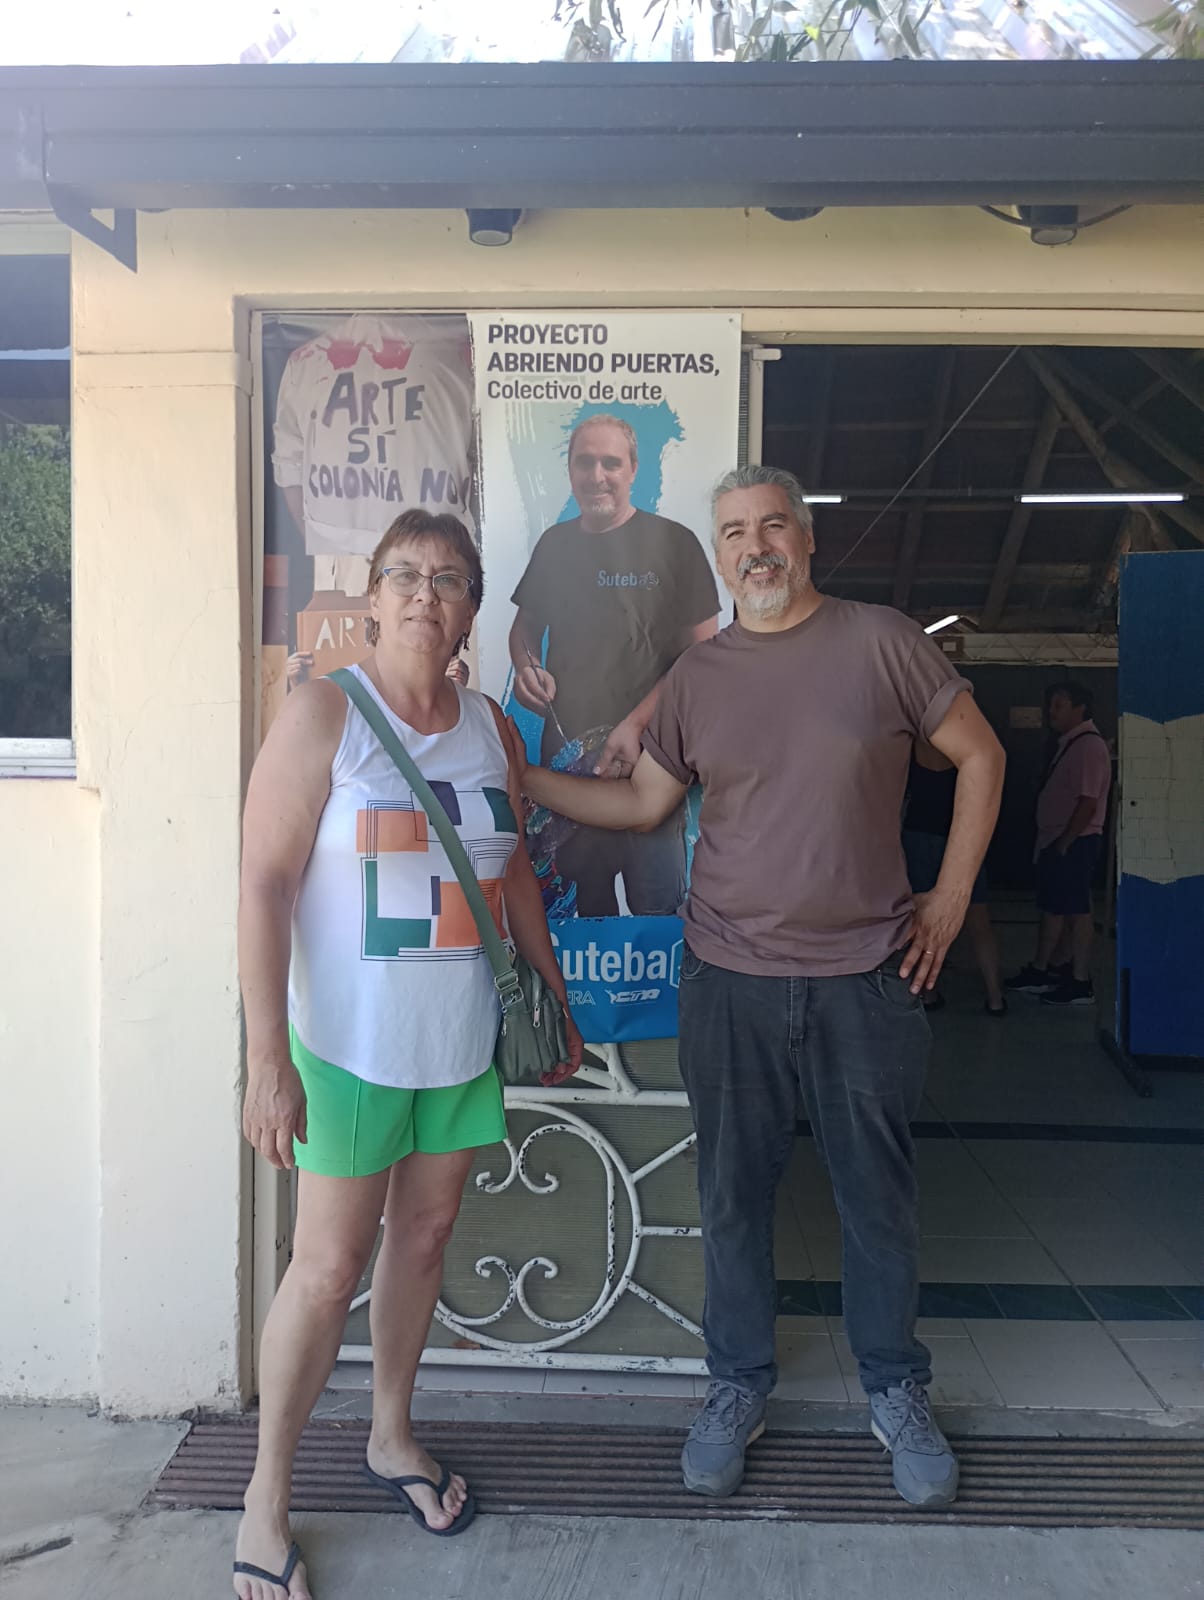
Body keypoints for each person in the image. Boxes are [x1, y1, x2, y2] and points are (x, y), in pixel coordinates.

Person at [505, 465, 1005, 1509]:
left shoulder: (882, 642)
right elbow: (644, 804)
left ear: (806, 540)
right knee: (732, 1197)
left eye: (773, 526)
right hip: (729, 977)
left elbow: (981, 755)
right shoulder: (699, 677)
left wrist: (952, 896)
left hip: (866, 978)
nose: (755, 547)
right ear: (720, 554)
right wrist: (521, 782)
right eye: (734, 532)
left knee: (877, 1198)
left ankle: (895, 1388)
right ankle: (736, 1385)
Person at [235, 509, 582, 1599]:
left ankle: (391, 1434)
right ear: (372, 599)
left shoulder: (490, 726)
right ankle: (265, 1498)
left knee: (423, 1241)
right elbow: (263, 884)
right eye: (405, 575)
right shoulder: (323, 713)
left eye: (449, 579)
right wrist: (266, 1056)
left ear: (471, 607)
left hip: (459, 1041)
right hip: (346, 1047)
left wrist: (551, 991)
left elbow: (509, 867)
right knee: (326, 1267)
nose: (427, 594)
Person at [508, 413, 721, 916]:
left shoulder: (676, 543)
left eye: (611, 463)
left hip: (653, 764)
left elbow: (704, 654)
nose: (597, 475)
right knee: (582, 913)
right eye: (585, 463)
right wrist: (526, 666)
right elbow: (524, 628)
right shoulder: (554, 545)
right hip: (568, 769)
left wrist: (639, 723)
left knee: (657, 910)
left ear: (633, 470)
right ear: (569, 469)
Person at [1005, 680, 1111, 1008]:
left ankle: (1079, 981)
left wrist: (1066, 842)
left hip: (1073, 841)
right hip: (1059, 840)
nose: (1052, 711)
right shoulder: (1071, 744)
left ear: (1080, 708)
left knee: (1076, 910)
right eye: (1051, 704)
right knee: (1056, 908)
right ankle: (1048, 967)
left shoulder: (1088, 746)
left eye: (1060, 705)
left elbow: (1088, 802)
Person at [903, 741, 1006, 1016]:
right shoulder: (968, 745)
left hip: (918, 836)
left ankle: (928, 993)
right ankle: (995, 997)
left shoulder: (913, 744)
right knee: (980, 923)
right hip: (962, 839)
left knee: (923, 918)